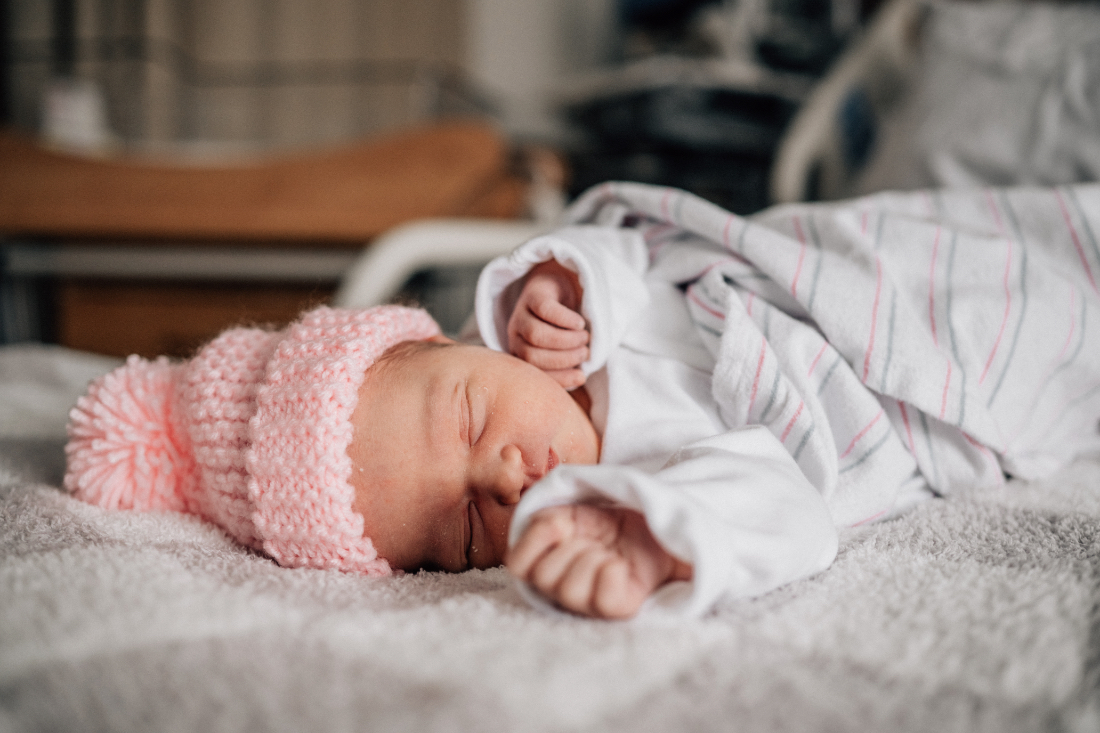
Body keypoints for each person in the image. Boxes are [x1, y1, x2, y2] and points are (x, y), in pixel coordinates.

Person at [65, 182, 1100, 620]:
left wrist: (564, 285)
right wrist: (656, 539)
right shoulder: (616, 491)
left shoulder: (555, 330)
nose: (508, 480)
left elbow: (636, 253)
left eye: (470, 419)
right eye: (466, 527)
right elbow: (785, 503)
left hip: (878, 288)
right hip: (902, 401)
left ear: (456, 341)